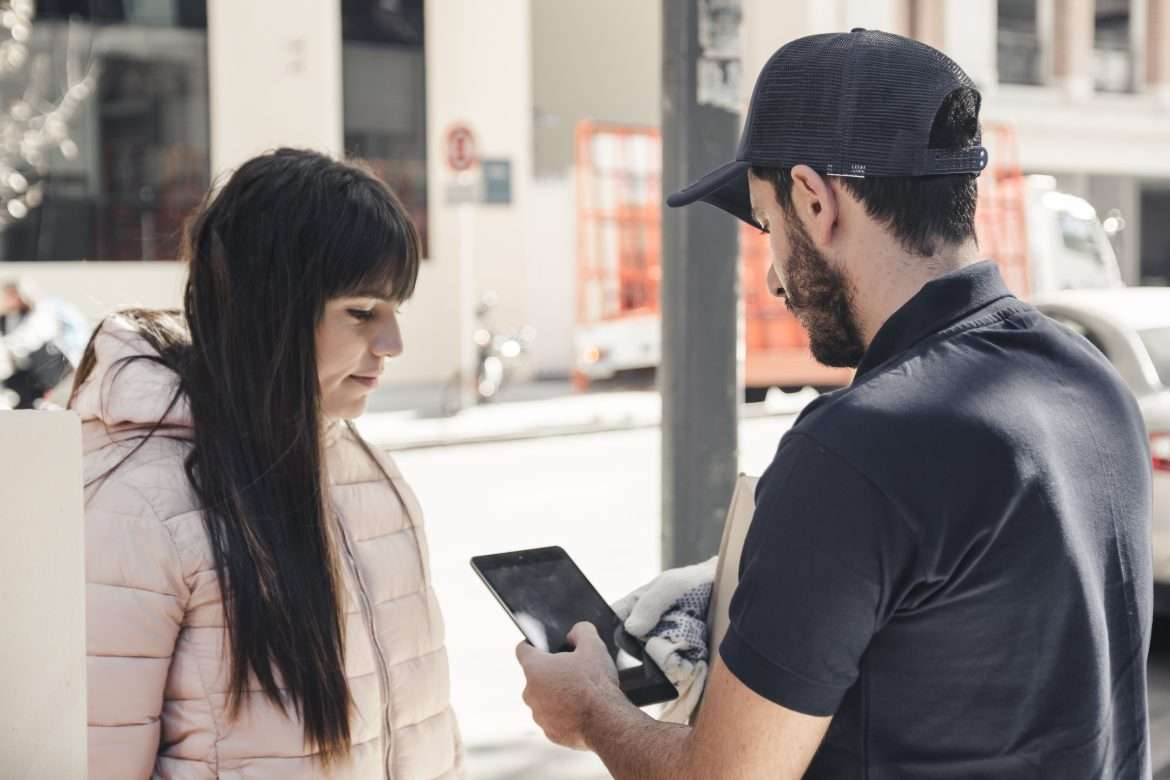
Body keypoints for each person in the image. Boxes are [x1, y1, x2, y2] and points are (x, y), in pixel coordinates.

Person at [515, 29, 1152, 779]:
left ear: (815, 201)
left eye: (765, 223)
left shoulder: (856, 449)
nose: (773, 278)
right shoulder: (1095, 383)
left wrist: (590, 706)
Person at [72, 149, 463, 779]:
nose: (393, 346)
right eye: (361, 313)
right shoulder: (138, 502)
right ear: (270, 309)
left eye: (396, 313)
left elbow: (422, 727)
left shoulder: (373, 473)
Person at [0, 277, 88, 408]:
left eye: (11, 295)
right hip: (27, 372)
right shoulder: (9, 317)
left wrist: (7, 347)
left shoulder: (43, 311)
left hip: (52, 368)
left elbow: (30, 337)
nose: (7, 299)